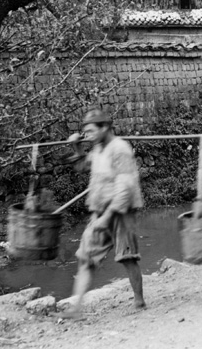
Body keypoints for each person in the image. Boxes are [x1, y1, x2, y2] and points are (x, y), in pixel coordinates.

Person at [61, 108, 145, 318]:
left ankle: (139, 301)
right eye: (85, 131)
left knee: (127, 257)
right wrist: (76, 146)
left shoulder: (120, 149)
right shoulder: (97, 149)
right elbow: (81, 166)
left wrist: (107, 217)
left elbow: (125, 188)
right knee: (85, 258)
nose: (88, 135)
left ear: (105, 127)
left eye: (91, 130)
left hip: (121, 214)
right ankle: (77, 307)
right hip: (99, 213)